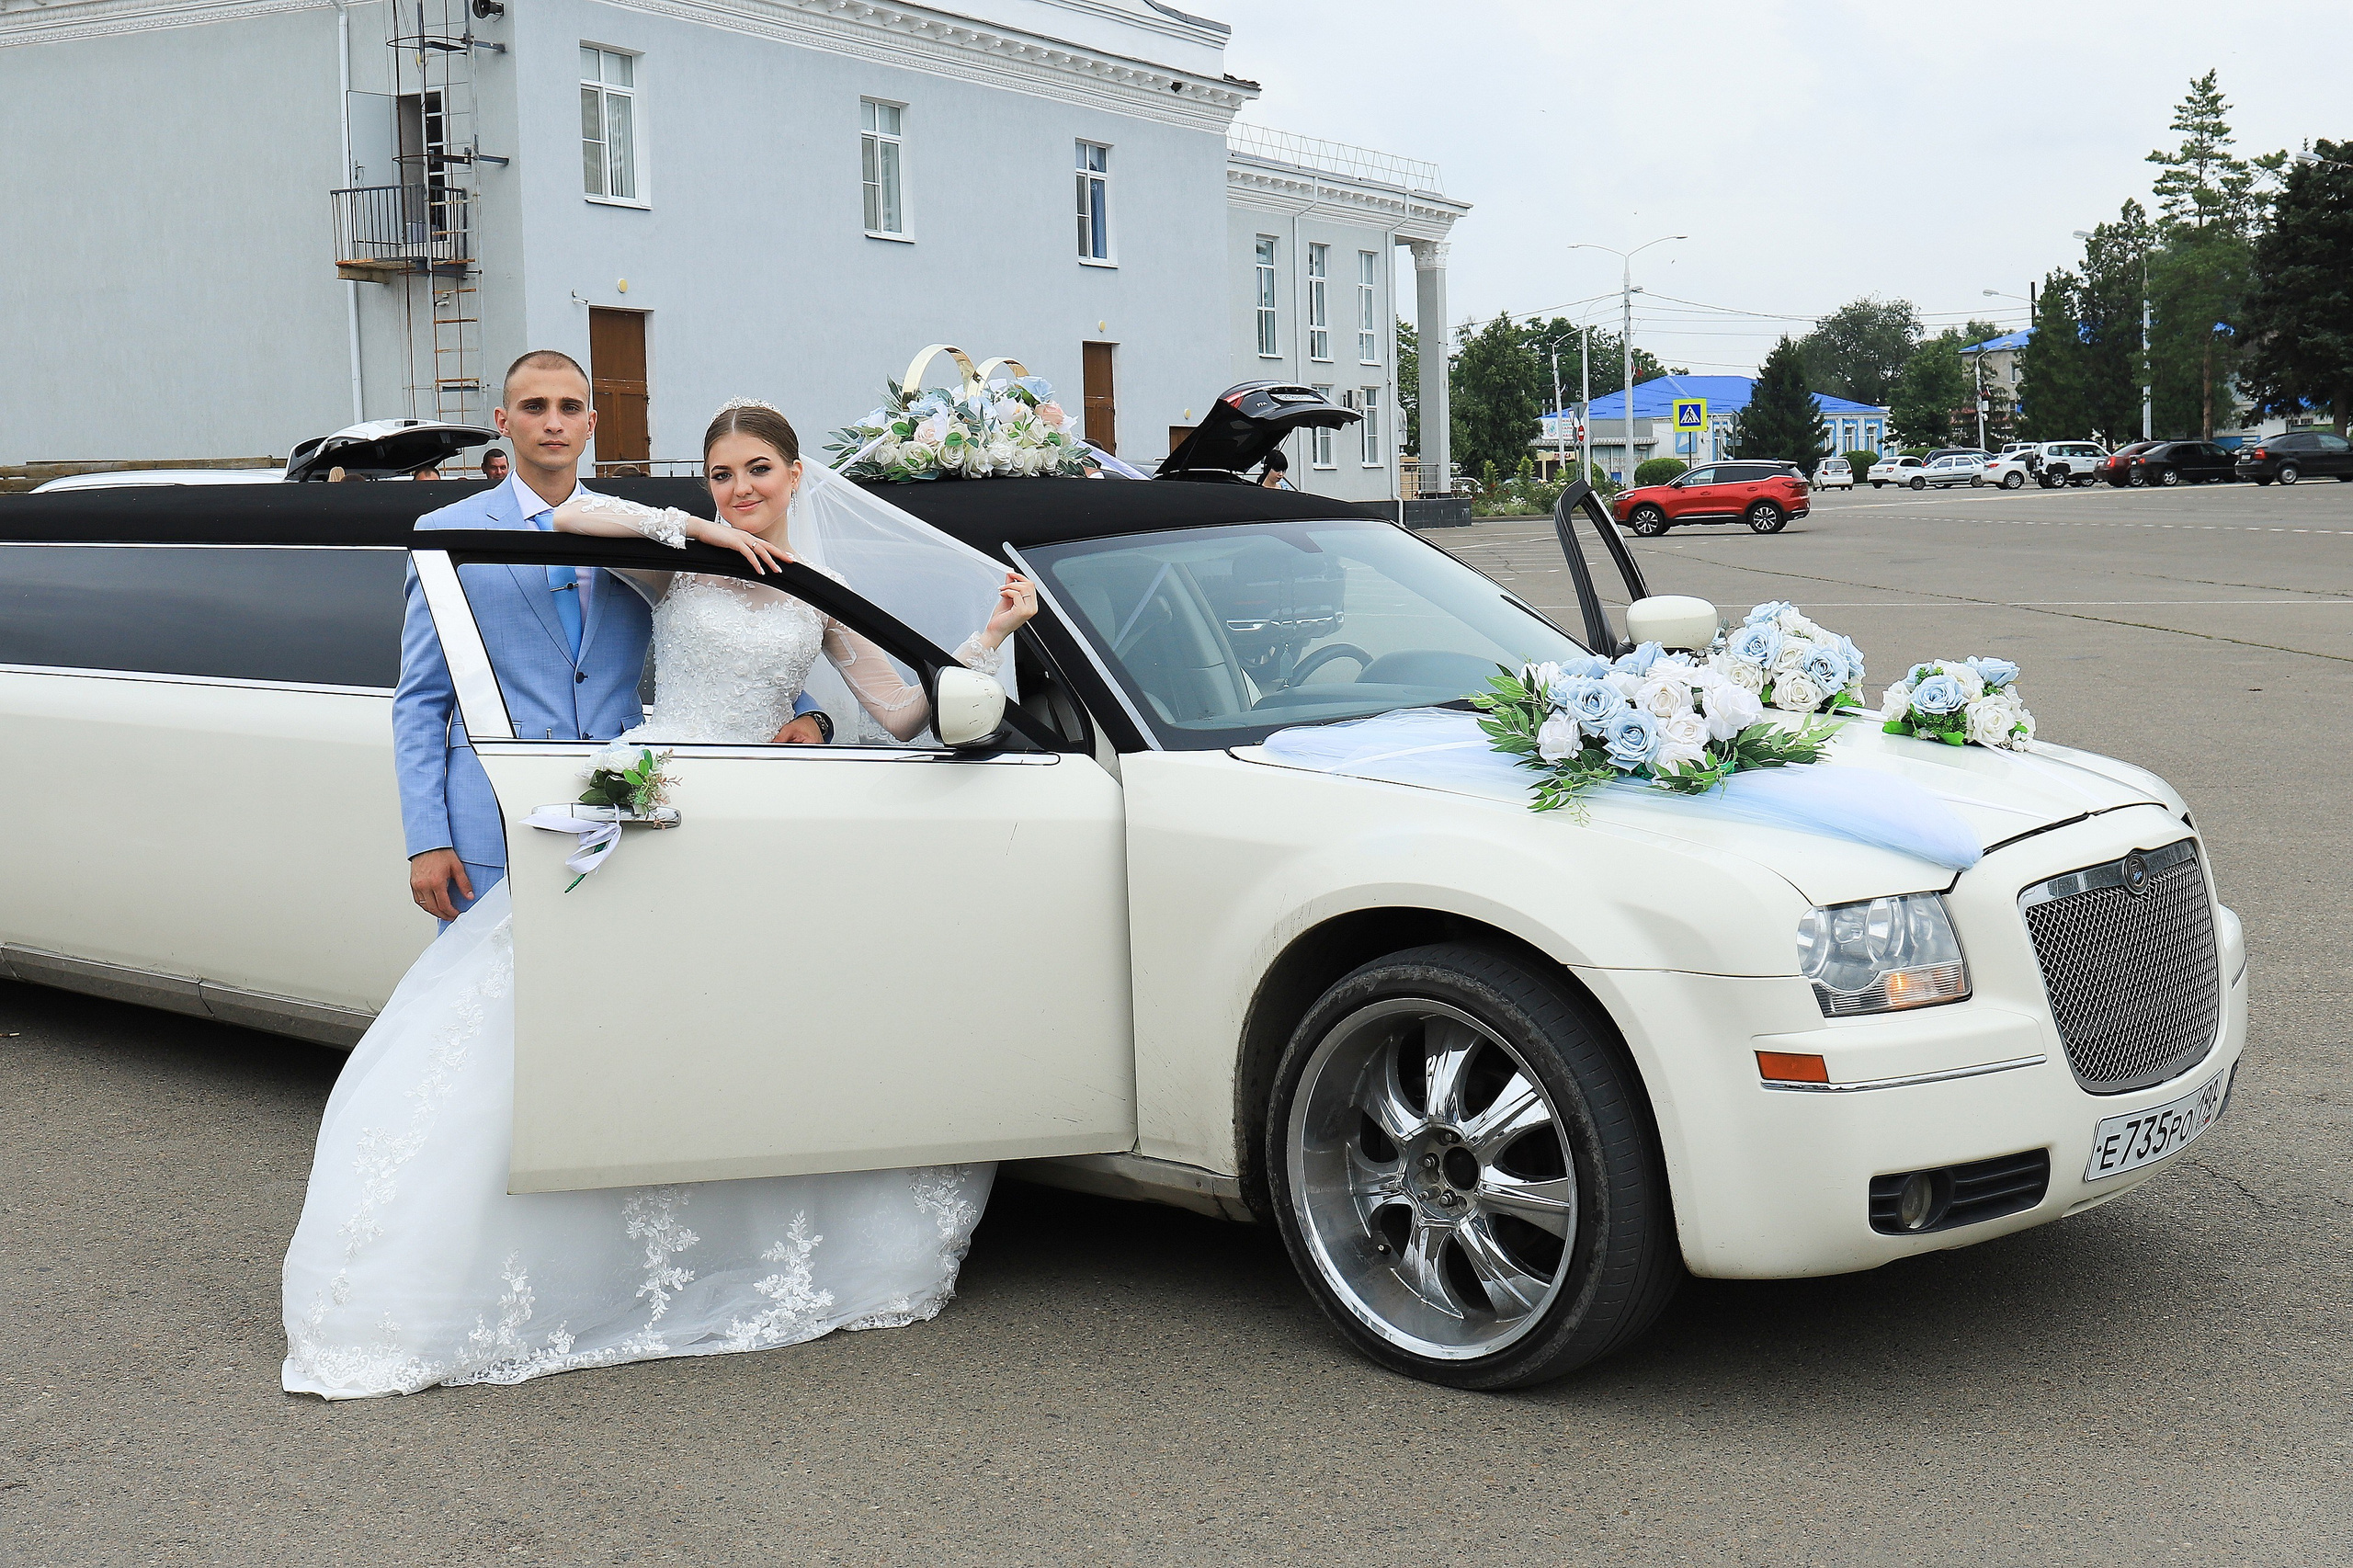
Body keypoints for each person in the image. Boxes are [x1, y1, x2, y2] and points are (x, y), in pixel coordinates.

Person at [280, 390, 1036, 1401]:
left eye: (758, 470)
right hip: (651, 791)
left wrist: (986, 640)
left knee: (745, 1029)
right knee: (577, 1003)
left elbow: (901, 713)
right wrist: (700, 529)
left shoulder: (822, 588)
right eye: (722, 474)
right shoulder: (679, 562)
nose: (741, 488)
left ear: (796, 475)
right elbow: (567, 517)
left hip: (759, 817)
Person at [391, 350, 824, 928]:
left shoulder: (641, 533)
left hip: (631, 803)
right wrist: (427, 838)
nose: (553, 423)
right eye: (534, 407)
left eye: (570, 408)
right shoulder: (446, 533)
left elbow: (726, 639)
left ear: (591, 423)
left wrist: (811, 713)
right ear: (503, 421)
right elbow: (422, 698)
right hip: (492, 814)